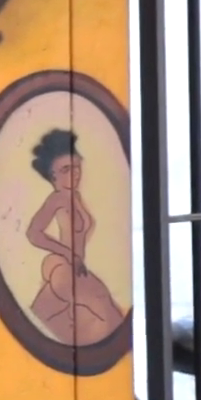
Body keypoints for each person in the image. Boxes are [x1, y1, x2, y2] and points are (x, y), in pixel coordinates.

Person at [25, 129, 124, 347]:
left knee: (43, 314)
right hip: (64, 265)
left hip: (76, 266)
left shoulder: (75, 197)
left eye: (77, 167)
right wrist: (68, 253)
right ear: (53, 175)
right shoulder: (57, 199)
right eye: (66, 169)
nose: (75, 174)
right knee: (105, 311)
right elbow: (33, 233)